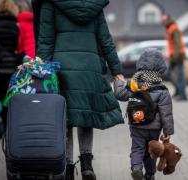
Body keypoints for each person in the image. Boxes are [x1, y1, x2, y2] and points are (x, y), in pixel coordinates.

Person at [32, 0, 125, 179]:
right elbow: (105, 40)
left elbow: (46, 41)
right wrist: (117, 70)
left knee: (64, 118)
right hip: (89, 69)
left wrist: (40, 71)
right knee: (85, 116)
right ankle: (86, 165)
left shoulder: (50, 4)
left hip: (62, 69)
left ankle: (67, 167)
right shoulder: (94, 5)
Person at [114, 48, 174, 180]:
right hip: (154, 127)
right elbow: (166, 113)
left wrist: (119, 81)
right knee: (152, 150)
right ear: (161, 67)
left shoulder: (134, 84)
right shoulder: (162, 89)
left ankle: (136, 168)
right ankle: (150, 174)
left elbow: (120, 94)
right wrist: (167, 130)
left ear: (140, 63)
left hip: (136, 124)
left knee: (137, 148)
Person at [0, 0, 19, 129]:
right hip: (10, 65)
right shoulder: (13, 25)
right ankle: (7, 127)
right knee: (7, 96)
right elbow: (16, 45)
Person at [162, 14, 188, 101]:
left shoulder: (174, 28)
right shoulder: (169, 28)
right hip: (174, 56)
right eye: (162, 20)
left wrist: (176, 56)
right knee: (169, 73)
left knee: (180, 76)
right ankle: (179, 91)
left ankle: (182, 95)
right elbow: (170, 44)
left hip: (178, 56)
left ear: (169, 20)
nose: (163, 22)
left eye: (165, 20)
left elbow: (178, 44)